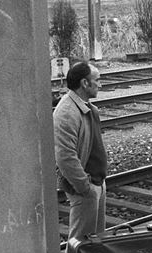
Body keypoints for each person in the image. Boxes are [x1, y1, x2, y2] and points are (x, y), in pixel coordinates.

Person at [54, 61, 108, 241]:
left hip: (96, 182)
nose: (100, 84)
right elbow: (65, 157)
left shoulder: (85, 107)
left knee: (95, 242)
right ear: (85, 83)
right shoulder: (67, 112)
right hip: (86, 187)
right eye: (97, 80)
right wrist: (85, 187)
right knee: (80, 242)